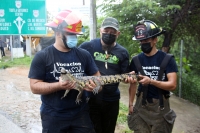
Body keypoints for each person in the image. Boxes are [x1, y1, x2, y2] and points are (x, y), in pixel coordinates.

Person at [28, 10, 101, 133]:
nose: (74, 38)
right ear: (57, 32)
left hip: (80, 114)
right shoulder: (42, 56)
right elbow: (34, 87)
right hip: (53, 116)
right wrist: (59, 85)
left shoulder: (84, 55)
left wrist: (95, 86)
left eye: (75, 35)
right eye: (69, 34)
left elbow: (99, 80)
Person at [79, 17, 130, 133]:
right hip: (90, 98)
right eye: (106, 31)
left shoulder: (123, 52)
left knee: (108, 130)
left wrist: (128, 78)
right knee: (90, 129)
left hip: (111, 100)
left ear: (118, 33)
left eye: (112, 32)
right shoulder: (87, 46)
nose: (109, 34)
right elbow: (77, 66)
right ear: (100, 30)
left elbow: (125, 75)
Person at [128, 19, 178, 133]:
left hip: (161, 109)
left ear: (155, 39)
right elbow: (132, 84)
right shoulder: (136, 60)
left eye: (146, 40)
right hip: (141, 107)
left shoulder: (167, 59)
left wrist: (151, 81)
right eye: (141, 41)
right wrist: (131, 104)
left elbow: (173, 85)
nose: (143, 43)